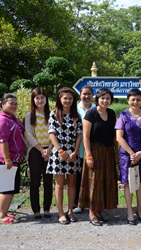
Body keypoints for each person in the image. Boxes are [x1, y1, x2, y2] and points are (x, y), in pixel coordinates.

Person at [79, 88, 118, 226]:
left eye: (108, 98)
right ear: (98, 99)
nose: (105, 101)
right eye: (102, 98)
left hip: (108, 152)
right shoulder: (91, 113)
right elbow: (86, 136)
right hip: (94, 151)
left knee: (105, 182)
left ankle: (99, 210)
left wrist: (117, 152)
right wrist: (88, 156)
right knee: (93, 183)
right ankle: (91, 211)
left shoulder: (112, 113)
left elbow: (114, 135)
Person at [115, 89, 141, 225]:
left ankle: (140, 210)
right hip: (127, 155)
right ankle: (129, 211)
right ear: (128, 100)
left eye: (138, 99)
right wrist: (131, 153)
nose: (135, 102)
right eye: (133, 99)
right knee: (128, 183)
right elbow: (119, 137)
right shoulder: (123, 116)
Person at [46, 87, 83, 225]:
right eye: (65, 98)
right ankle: (61, 213)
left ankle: (70, 211)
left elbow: (79, 134)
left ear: (73, 100)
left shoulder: (76, 115)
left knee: (72, 184)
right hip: (59, 153)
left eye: (70, 98)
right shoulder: (54, 114)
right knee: (60, 184)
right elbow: (51, 133)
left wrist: (75, 151)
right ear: (60, 99)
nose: (67, 100)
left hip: (73, 153)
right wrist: (61, 150)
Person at [0, 94, 25, 224]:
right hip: (5, 159)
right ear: (3, 104)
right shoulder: (2, 120)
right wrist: (7, 159)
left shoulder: (10, 117)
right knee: (7, 189)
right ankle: (1, 216)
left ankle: (3, 212)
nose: (14, 106)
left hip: (11, 158)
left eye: (16, 104)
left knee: (3, 187)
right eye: (11, 103)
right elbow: (3, 142)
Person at [25, 87, 53, 220]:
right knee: (35, 182)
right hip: (35, 151)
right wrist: (42, 150)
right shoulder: (30, 115)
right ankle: (36, 210)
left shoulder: (52, 114)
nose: (40, 100)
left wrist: (50, 149)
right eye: (37, 98)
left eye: (42, 97)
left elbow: (55, 134)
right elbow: (29, 136)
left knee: (48, 181)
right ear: (33, 100)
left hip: (50, 150)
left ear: (46, 99)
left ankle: (47, 209)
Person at [73, 85, 95, 214]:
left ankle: (91, 203)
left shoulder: (97, 109)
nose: (86, 96)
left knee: (91, 178)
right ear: (80, 95)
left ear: (93, 95)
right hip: (77, 149)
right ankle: (78, 203)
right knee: (78, 178)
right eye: (84, 94)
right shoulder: (74, 109)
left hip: (93, 149)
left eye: (89, 94)